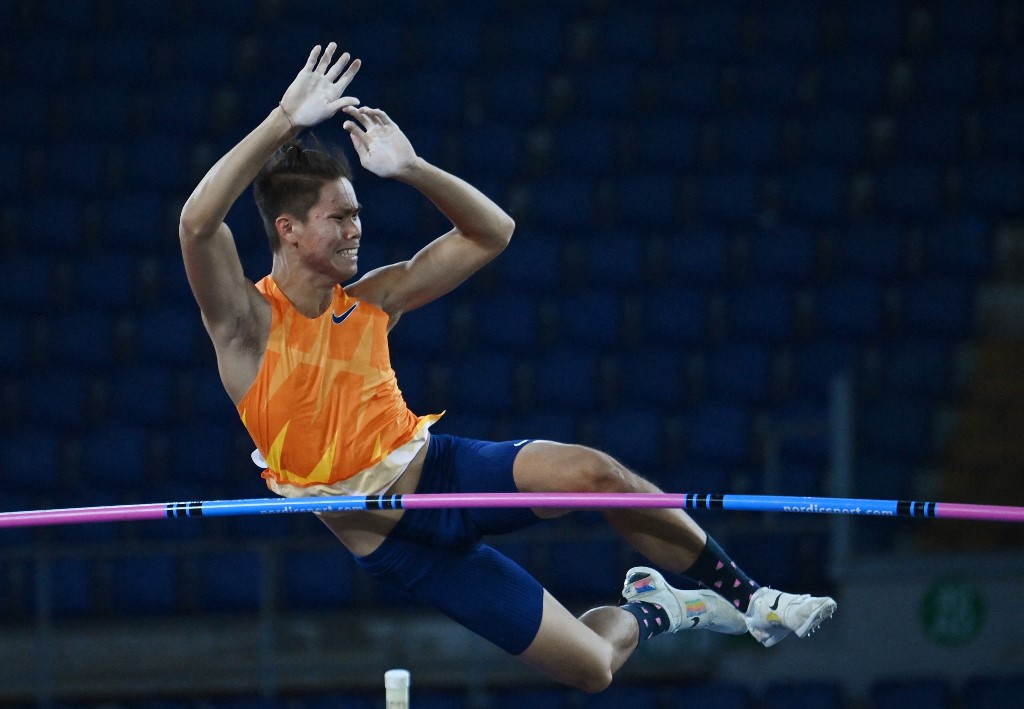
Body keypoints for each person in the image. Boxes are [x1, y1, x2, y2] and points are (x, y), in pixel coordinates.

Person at [178, 43, 836, 692]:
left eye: (358, 212)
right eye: (339, 217)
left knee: (595, 473)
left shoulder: (375, 299)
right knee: (593, 667)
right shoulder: (246, 323)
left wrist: (413, 169)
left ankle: (751, 598)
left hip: (445, 471)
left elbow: (492, 233)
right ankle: (661, 607)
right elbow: (197, 224)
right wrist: (283, 121)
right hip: (399, 544)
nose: (357, 228)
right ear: (289, 230)